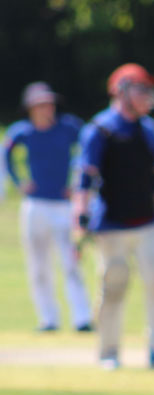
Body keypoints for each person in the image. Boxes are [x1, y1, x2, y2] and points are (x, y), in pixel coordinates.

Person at [73, 63, 154, 370]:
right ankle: (108, 352)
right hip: (111, 224)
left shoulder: (148, 129)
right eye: (141, 89)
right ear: (121, 91)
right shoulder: (100, 130)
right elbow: (85, 179)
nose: (147, 96)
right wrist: (80, 218)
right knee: (114, 285)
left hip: (147, 222)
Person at [2, 82, 93, 332]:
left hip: (64, 205)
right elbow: (5, 153)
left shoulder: (68, 127)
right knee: (38, 265)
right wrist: (19, 182)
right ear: (30, 108)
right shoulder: (23, 132)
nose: (47, 109)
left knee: (71, 261)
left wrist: (76, 181)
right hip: (35, 205)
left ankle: (82, 317)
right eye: (41, 105)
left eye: (49, 104)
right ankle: (48, 318)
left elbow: (88, 148)